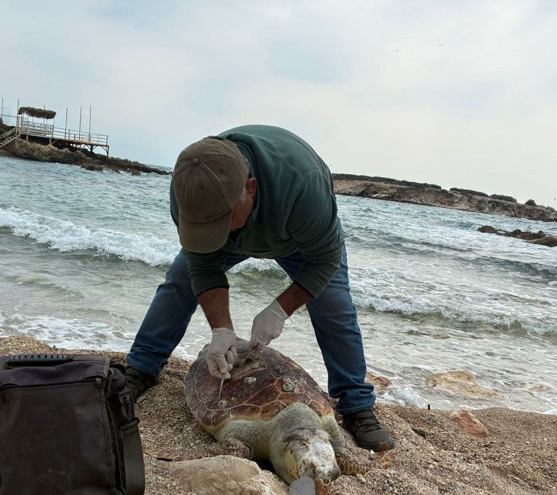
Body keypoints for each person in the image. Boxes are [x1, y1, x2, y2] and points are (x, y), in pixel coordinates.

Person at [125, 125, 394, 452]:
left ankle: (356, 404)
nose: (217, 232)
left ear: (250, 188)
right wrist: (221, 329)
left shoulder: (302, 184)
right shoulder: (190, 189)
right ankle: (140, 368)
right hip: (243, 225)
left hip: (296, 236)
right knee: (179, 279)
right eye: (205, 225)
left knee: (334, 304)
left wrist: (280, 308)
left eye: (223, 219)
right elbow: (202, 264)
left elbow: (325, 261)